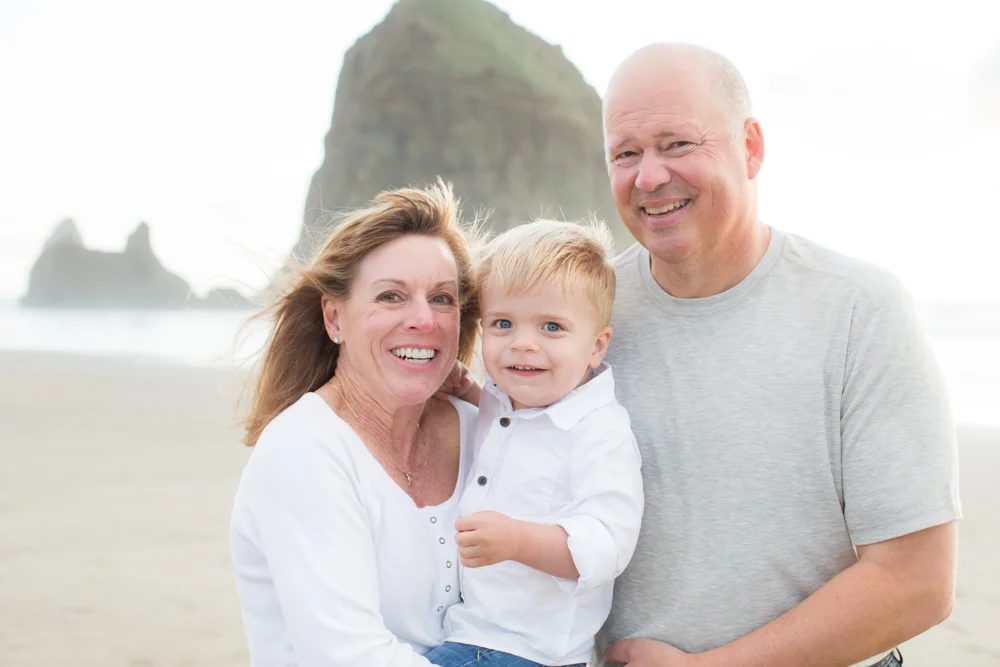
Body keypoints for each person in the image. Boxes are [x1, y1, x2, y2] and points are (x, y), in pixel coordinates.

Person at [597, 43, 961, 667]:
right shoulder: (578, 319)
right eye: (625, 154)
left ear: (751, 147)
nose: (648, 177)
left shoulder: (859, 310)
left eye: (677, 144)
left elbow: (917, 581)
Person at [229, 182, 483, 666]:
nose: (424, 320)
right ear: (334, 318)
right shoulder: (304, 449)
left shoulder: (485, 432)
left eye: (442, 298)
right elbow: (349, 655)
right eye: (391, 296)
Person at [426, 220, 645, 667]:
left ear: (596, 346)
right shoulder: (506, 401)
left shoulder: (599, 433)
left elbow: (607, 544)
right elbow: (510, 424)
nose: (524, 344)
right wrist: (468, 389)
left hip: (529, 652)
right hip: (469, 634)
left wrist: (517, 540)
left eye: (551, 327)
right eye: (503, 323)